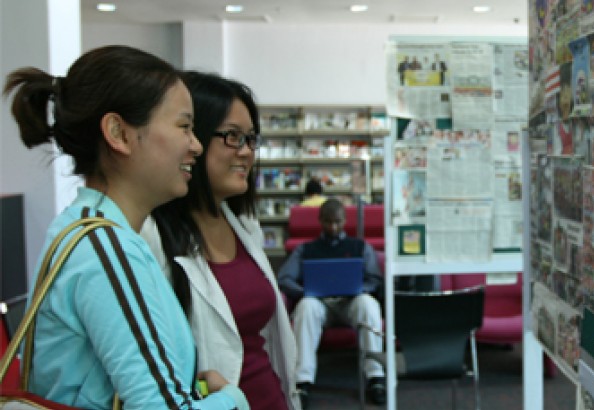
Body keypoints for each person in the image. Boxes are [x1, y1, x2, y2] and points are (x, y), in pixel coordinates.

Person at [3, 46, 248, 409]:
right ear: (118, 133)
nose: (195, 145)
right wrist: (233, 399)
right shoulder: (106, 249)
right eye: (184, 126)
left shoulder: (82, 231)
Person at [140, 72, 300, 410]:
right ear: (191, 138)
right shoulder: (153, 235)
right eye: (232, 137)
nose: (246, 152)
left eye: (251, 139)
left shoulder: (243, 226)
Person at [278, 198, 385, 408]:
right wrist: (305, 292)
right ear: (320, 221)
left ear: (345, 220)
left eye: (337, 222)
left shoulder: (359, 246)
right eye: (328, 222)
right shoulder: (305, 249)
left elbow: (375, 279)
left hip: (351, 302)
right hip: (320, 304)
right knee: (306, 307)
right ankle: (303, 381)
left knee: (368, 305)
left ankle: (376, 377)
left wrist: (358, 289)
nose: (333, 227)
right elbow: (284, 278)